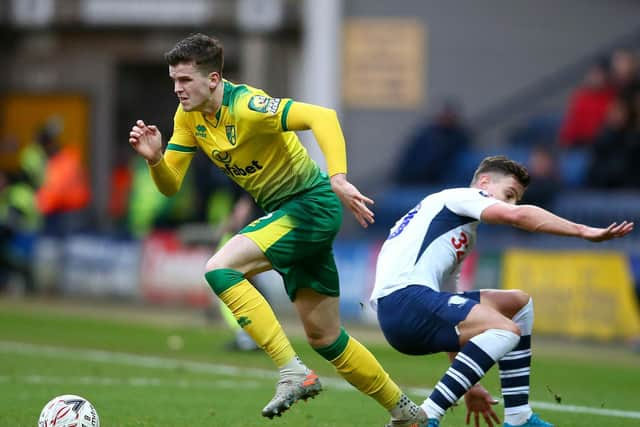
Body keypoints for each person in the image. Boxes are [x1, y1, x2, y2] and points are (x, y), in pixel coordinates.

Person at [128, 33, 426, 426]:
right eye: (174, 81)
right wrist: (154, 160)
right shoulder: (188, 118)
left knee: (220, 268)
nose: (177, 89)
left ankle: (292, 371)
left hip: (310, 205)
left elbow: (323, 117)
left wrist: (338, 177)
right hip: (289, 213)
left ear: (213, 79)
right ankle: (408, 414)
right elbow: (170, 185)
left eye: (185, 80)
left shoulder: (249, 106)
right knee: (326, 338)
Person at [369, 155, 634, 427]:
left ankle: (519, 417)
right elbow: (518, 217)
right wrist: (582, 231)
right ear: (484, 182)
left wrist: (470, 386)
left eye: (515, 199)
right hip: (403, 302)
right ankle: (424, 416)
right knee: (505, 330)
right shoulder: (457, 197)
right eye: (509, 194)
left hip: (410, 308)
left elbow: (450, 316)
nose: (511, 204)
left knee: (518, 303)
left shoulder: (458, 231)